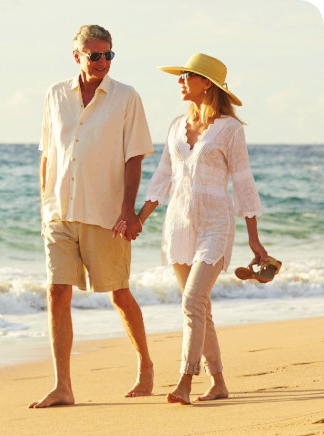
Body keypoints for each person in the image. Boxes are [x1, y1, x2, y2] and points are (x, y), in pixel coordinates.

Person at [117, 53, 268, 405]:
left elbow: (244, 182)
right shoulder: (175, 126)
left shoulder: (230, 129)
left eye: (187, 75)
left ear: (207, 84)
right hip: (180, 225)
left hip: (216, 224)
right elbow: (164, 176)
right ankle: (218, 382)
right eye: (181, 75)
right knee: (200, 306)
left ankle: (185, 379)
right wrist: (140, 217)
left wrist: (254, 238)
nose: (180, 80)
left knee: (191, 301)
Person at [29, 24, 154, 409]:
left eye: (108, 55)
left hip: (105, 214)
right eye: (95, 55)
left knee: (118, 293)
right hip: (59, 212)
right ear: (77, 56)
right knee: (56, 293)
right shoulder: (54, 95)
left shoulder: (126, 97)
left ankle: (146, 365)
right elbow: (47, 153)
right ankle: (63, 386)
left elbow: (135, 156)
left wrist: (127, 210)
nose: (102, 62)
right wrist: (44, 205)